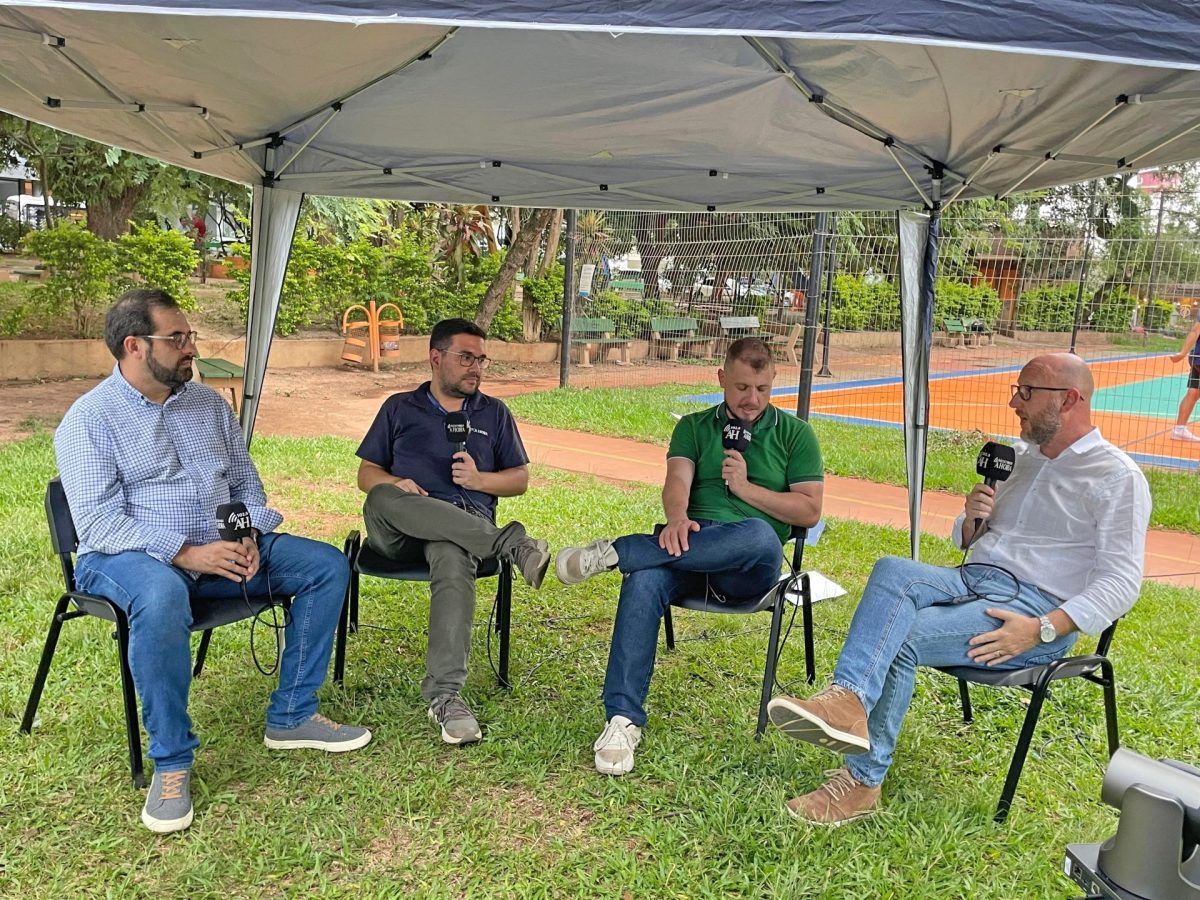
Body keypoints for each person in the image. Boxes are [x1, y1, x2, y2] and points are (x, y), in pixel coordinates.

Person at [767, 353, 1150, 825]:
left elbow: (1121, 582)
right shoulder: (1019, 460)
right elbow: (968, 540)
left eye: (1027, 392)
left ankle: (863, 782)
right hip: (973, 579)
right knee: (891, 568)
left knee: (901, 638)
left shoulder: (1117, 477)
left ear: (1069, 399)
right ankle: (847, 701)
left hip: (1032, 609)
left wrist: (1041, 631)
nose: (1014, 401)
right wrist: (971, 520)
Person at [54, 288, 369, 836]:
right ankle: (172, 762)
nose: (190, 348)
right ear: (134, 346)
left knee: (325, 565)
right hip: (127, 560)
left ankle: (292, 714)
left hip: (220, 550)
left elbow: (246, 484)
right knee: (160, 594)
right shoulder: (90, 420)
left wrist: (246, 536)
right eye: (177, 339)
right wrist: (189, 553)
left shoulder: (208, 406)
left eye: (189, 336)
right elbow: (98, 523)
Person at [555, 338, 824, 776]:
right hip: (689, 545)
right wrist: (677, 518)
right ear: (721, 379)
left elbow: (809, 511)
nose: (751, 399)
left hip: (747, 564)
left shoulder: (796, 435)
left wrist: (746, 489)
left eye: (761, 388)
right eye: (740, 387)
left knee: (758, 535)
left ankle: (617, 551)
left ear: (774, 380)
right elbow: (676, 480)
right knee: (644, 579)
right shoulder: (695, 427)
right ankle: (622, 721)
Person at [356, 318, 550, 746]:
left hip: (462, 530)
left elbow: (518, 479)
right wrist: (393, 483)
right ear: (435, 357)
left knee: (450, 550)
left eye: (481, 359)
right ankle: (512, 545)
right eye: (466, 357)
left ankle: (445, 697)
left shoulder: (494, 413)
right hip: (401, 530)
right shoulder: (399, 408)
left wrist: (481, 481)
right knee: (380, 497)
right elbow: (366, 473)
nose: (475, 367)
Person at [1168, 319, 1200, 442]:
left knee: (1194, 392)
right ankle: (1179, 429)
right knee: (1194, 392)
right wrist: (1182, 353)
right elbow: (1196, 329)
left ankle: (1179, 429)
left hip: (1197, 358)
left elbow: (1196, 329)